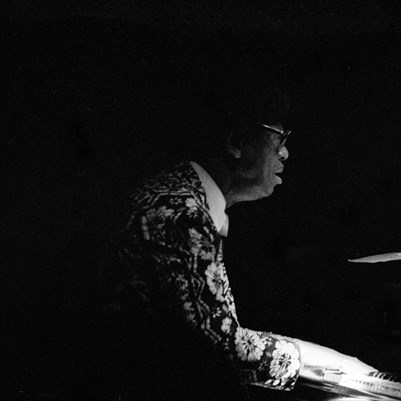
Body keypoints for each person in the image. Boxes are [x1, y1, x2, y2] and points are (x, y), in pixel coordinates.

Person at [94, 88, 375, 400]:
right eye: (278, 139)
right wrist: (342, 366)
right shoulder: (181, 215)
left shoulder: (179, 196)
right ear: (236, 142)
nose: (285, 154)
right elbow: (225, 349)